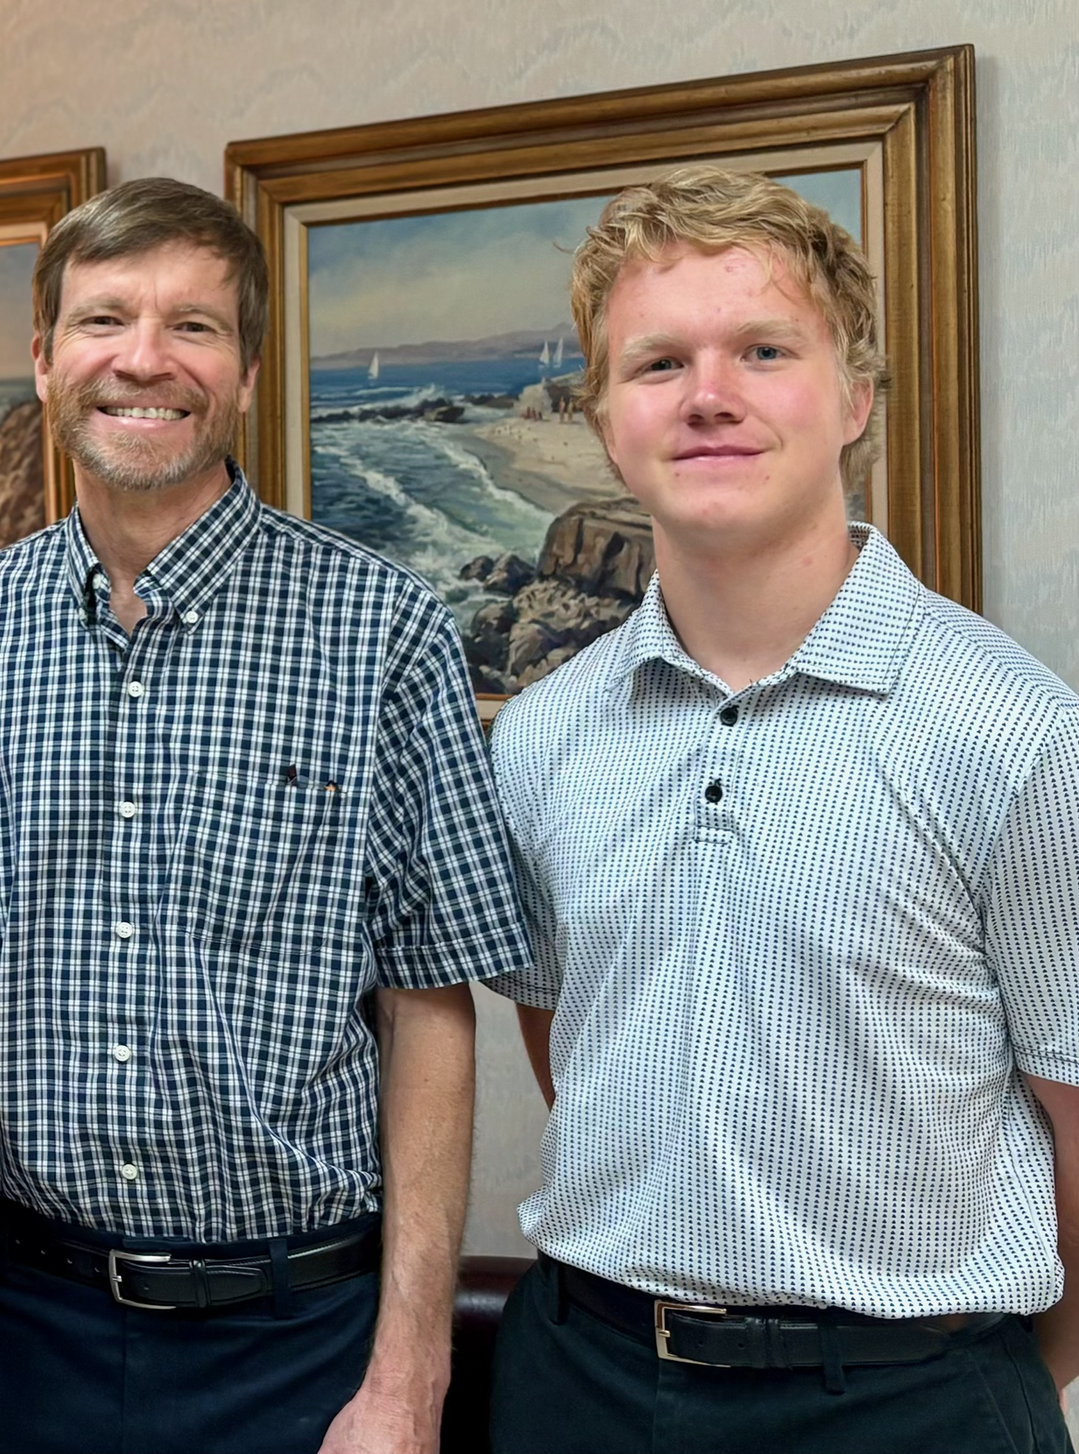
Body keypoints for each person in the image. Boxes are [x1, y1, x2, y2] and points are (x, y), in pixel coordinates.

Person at [0, 178, 531, 1453]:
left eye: (193, 326)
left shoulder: (382, 633)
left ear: (244, 369)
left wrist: (408, 1373)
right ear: (42, 361)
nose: (143, 358)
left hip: (295, 1346)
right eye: (103, 321)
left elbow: (430, 1012)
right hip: (14, 1334)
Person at [484, 166, 1079, 1453]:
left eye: (763, 349)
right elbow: (566, 1036)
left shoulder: (1015, 731)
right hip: (578, 1385)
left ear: (854, 396)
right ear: (602, 419)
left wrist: (987, 1380)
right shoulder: (538, 737)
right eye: (656, 364)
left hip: (907, 1401)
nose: (709, 396)